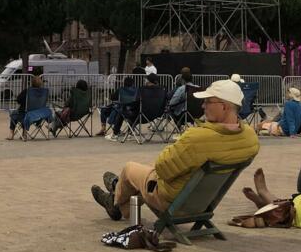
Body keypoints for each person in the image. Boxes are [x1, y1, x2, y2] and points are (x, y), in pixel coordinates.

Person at [90, 78, 260, 221]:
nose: (203, 106)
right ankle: (118, 189)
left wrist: (178, 144)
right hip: (202, 202)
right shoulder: (250, 138)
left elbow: (163, 169)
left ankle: (115, 202)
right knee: (143, 176)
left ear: (224, 107)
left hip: (173, 200)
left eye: (208, 101)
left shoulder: (197, 138)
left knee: (129, 169)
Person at [6, 74, 45, 140]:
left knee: (14, 114)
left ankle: (11, 134)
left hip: (25, 114)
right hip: (38, 116)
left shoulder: (27, 91)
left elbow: (18, 100)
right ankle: (24, 133)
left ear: (32, 83)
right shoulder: (43, 92)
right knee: (25, 114)